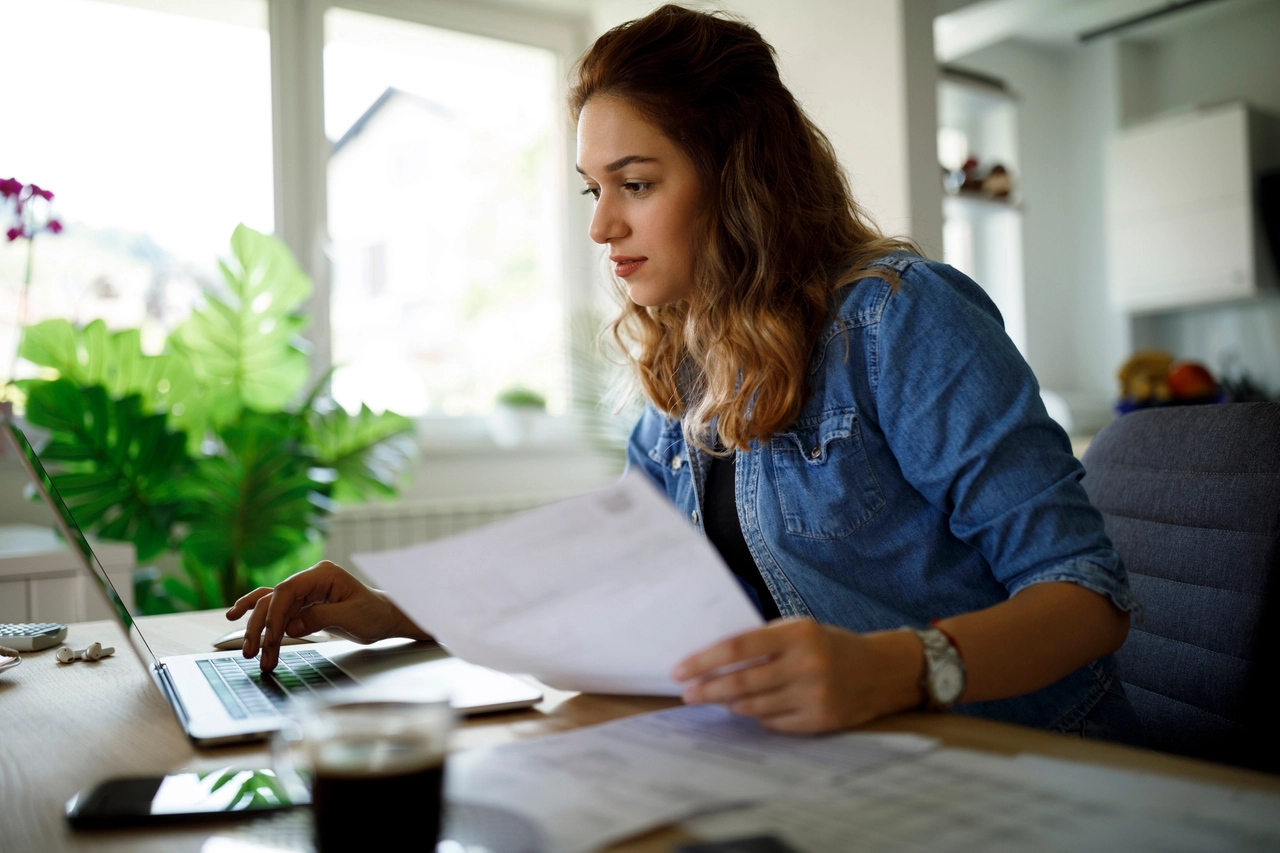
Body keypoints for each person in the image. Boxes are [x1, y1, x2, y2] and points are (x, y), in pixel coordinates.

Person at [228, 5, 1142, 741]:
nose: (601, 226)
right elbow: (624, 581)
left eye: (635, 182)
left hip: (1027, 754)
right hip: (856, 766)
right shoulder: (683, 365)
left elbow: (1085, 596)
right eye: (594, 189)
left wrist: (895, 664)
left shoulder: (900, 317)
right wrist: (394, 609)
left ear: (738, 175)